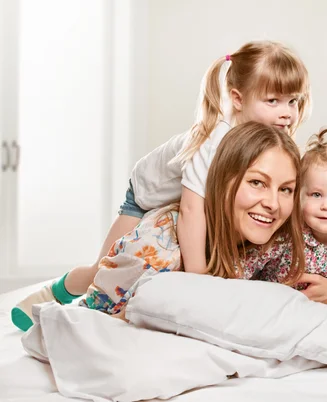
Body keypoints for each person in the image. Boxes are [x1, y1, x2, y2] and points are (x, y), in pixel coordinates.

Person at [12, 40, 311, 331]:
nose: (287, 112)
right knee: (104, 271)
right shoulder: (214, 141)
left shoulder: (264, 141)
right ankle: (53, 292)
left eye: (292, 101)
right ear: (237, 99)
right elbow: (193, 211)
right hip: (146, 198)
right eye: (273, 101)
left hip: (180, 204)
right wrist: (199, 277)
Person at [65, 123, 305, 317]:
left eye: (286, 189)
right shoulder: (157, 249)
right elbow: (100, 320)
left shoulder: (280, 241)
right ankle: (57, 289)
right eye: (257, 183)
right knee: (91, 274)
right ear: (221, 182)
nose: (273, 203)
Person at [254, 129, 327, 308]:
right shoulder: (288, 233)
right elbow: (251, 262)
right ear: (298, 197)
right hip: (280, 307)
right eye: (316, 194)